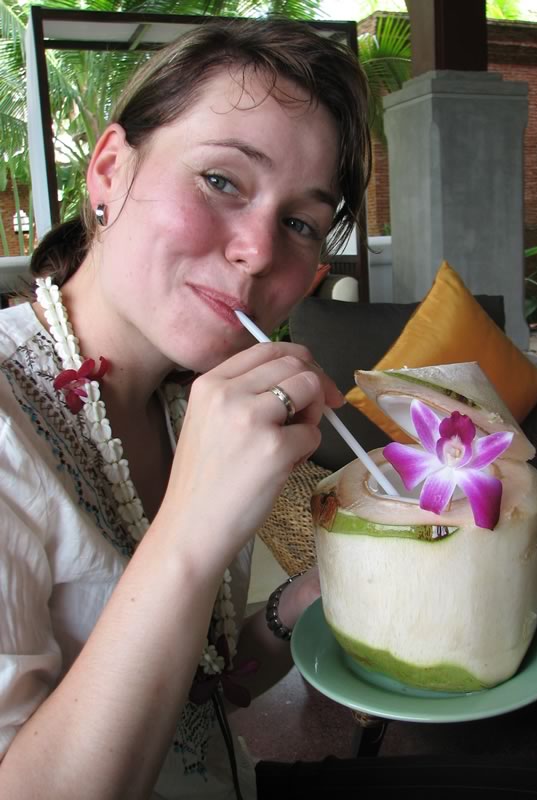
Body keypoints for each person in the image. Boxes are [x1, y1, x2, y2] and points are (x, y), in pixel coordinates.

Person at [0, 16, 369, 799]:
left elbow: (204, 694)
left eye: (299, 223)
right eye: (222, 181)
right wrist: (192, 529)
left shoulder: (184, 403)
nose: (259, 251)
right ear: (109, 171)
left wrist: (304, 602)